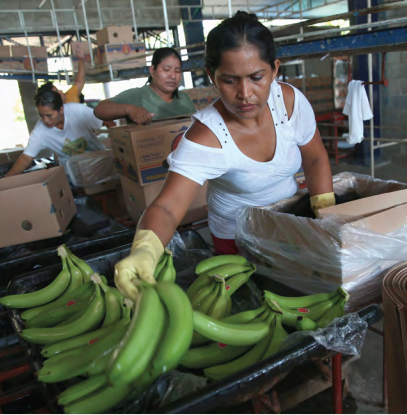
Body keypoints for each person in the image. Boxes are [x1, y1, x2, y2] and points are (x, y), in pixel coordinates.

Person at [114, 11, 336, 301]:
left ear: (275, 70)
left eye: (257, 77)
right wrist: (145, 250)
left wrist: (326, 215)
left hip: (289, 223)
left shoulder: (290, 104)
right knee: (247, 303)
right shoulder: (206, 136)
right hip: (236, 236)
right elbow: (168, 207)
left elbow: (316, 159)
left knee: (298, 297)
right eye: (230, 80)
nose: (245, 93)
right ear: (211, 77)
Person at [5, 89, 105, 177]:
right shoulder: (40, 132)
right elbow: (26, 158)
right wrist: (5, 181)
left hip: (101, 163)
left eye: (49, 115)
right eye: (41, 116)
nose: (45, 120)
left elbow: (108, 122)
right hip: (75, 175)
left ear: (61, 110)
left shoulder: (77, 111)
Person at [94, 47, 196, 125]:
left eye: (177, 71)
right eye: (166, 69)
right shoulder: (138, 96)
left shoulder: (184, 99)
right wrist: (129, 109)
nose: (173, 76)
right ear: (152, 70)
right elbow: (99, 109)